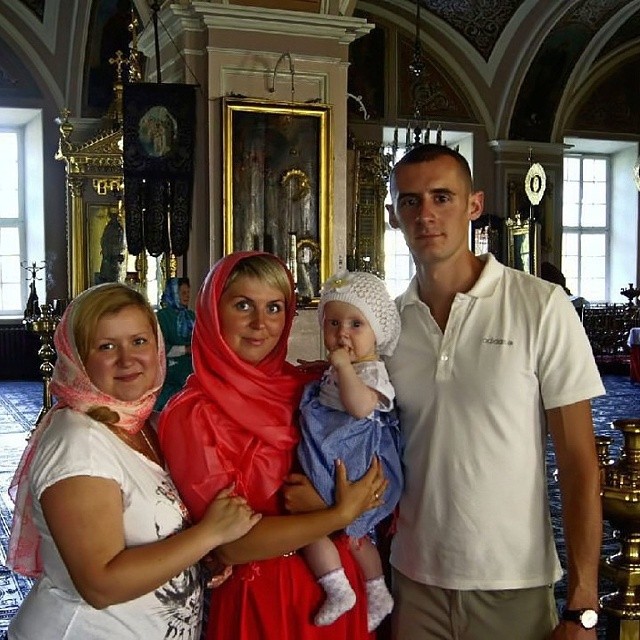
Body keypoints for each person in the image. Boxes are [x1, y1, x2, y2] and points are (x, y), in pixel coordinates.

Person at [384, 144, 605, 640]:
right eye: (410, 201)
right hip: (415, 580)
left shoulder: (540, 306)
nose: (426, 215)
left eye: (442, 197)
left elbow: (578, 461)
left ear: (474, 205)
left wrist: (583, 604)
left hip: (512, 582)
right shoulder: (388, 325)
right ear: (393, 215)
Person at [6, 282, 260, 639]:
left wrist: (196, 555)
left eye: (139, 341)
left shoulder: (145, 423)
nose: (127, 359)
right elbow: (100, 584)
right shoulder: (78, 443)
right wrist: (208, 535)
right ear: (78, 357)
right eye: (106, 346)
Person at [158, 251, 387, 640]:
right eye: (243, 305)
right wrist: (339, 514)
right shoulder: (192, 414)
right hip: (262, 595)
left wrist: (346, 509)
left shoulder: (313, 388)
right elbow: (232, 545)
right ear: (213, 311)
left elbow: (376, 478)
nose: (260, 323)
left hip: (340, 586)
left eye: (274, 308)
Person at [297, 270, 403, 631]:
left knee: (318, 526)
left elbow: (359, 407)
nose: (342, 333)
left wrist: (343, 368)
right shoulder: (346, 367)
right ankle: (376, 591)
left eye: (356, 324)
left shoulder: (372, 373)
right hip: (329, 449)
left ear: (377, 333)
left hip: (352, 455)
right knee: (349, 536)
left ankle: (342, 589)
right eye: (333, 323)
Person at [155, 276, 196, 410]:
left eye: (188, 293)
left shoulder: (191, 316)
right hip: (170, 372)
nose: (187, 296)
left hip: (191, 368)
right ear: (173, 293)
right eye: (183, 293)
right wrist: (185, 349)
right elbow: (159, 347)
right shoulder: (162, 316)